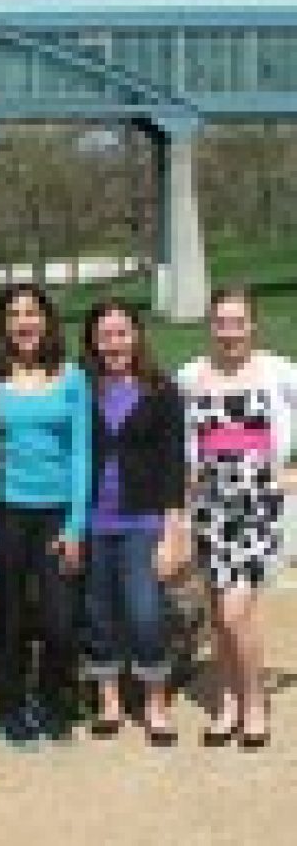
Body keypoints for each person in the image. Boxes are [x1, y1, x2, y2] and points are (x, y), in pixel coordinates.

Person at [178, 287, 297, 749]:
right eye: (220, 323)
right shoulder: (192, 376)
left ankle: (254, 702)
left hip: (256, 511)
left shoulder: (279, 373)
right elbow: (178, 438)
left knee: (235, 612)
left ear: (252, 325)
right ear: (210, 326)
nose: (229, 332)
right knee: (217, 615)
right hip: (208, 509)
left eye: (237, 322)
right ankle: (227, 700)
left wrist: (291, 476)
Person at [0, 284, 90, 746]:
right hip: (7, 511)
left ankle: (50, 698)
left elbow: (83, 454)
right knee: (7, 618)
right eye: (14, 314)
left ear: (46, 321)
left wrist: (75, 524)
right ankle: (10, 707)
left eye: (32, 312)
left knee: (59, 621)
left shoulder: (71, 378)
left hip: (56, 514)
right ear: (4, 326)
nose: (24, 322)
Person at [81, 300, 187, 746]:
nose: (114, 344)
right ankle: (108, 699)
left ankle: (155, 702)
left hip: (143, 520)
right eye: (105, 335)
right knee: (99, 613)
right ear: (93, 340)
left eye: (122, 333)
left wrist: (173, 529)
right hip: (93, 521)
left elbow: (172, 463)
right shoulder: (83, 389)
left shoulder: (161, 391)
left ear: (136, 336)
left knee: (145, 614)